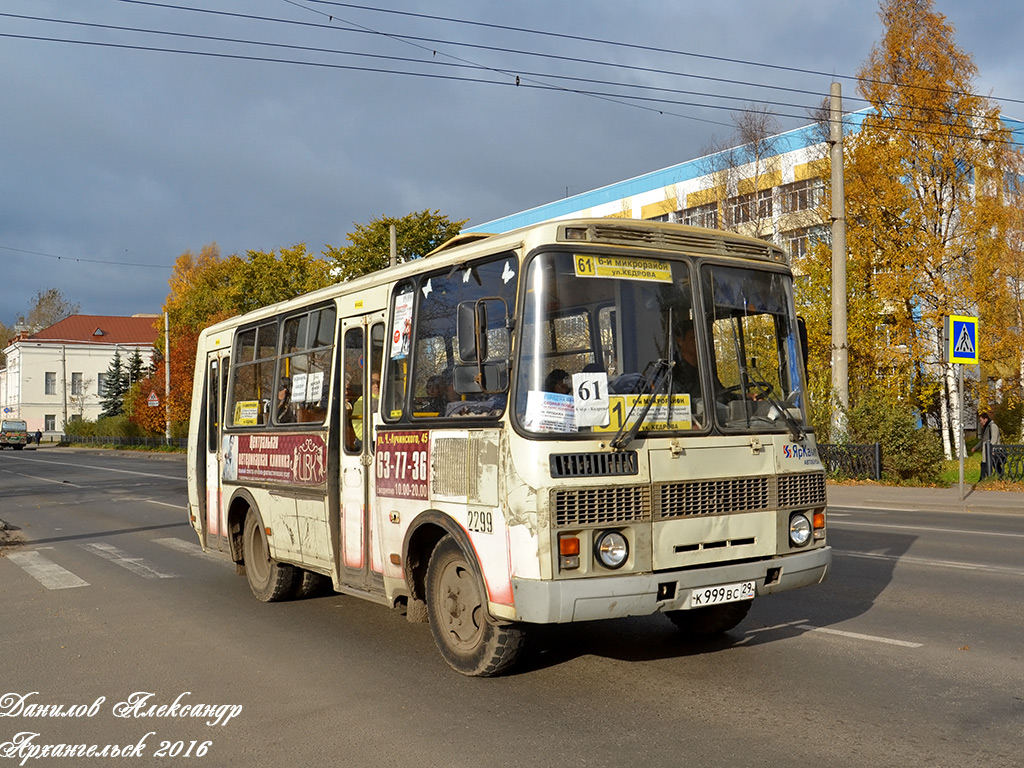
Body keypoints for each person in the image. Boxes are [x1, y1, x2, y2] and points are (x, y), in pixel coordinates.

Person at [976, 411, 1001, 479]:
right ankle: (984, 479)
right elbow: (983, 440)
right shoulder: (987, 427)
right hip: (987, 451)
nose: (980, 422)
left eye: (981, 420)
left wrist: (991, 450)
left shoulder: (993, 426)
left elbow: (994, 439)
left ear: (986, 419)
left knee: (995, 466)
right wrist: (975, 448)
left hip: (993, 451)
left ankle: (986, 479)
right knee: (986, 464)